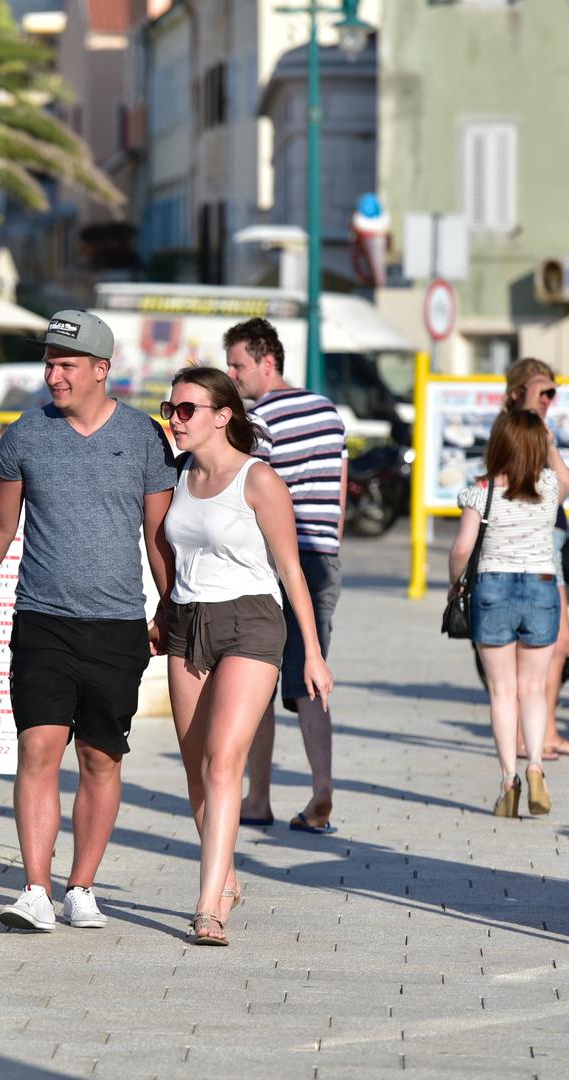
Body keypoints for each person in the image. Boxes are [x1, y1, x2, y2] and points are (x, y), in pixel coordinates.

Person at [0, 310, 176, 933]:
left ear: (102, 370)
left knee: (101, 757)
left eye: (66, 364)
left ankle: (82, 887)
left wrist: (170, 605)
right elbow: (0, 524)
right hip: (41, 618)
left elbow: (159, 535)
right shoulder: (25, 433)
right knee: (38, 747)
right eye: (50, 362)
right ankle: (34, 889)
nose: (53, 374)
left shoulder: (147, 439)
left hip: (117, 623)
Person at [160, 367, 332, 946]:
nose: (174, 419)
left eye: (186, 409)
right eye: (170, 408)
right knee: (194, 768)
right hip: (188, 623)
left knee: (221, 761)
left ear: (222, 415)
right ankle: (227, 878)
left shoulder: (258, 480)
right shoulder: (177, 474)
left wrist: (311, 652)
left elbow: (292, 571)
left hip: (252, 624)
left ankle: (208, 907)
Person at [222, 318, 345, 835]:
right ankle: (321, 787)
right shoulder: (328, 412)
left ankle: (258, 796)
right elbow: (340, 490)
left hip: (278, 561)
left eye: (238, 365)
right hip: (325, 558)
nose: (231, 375)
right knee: (310, 678)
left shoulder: (259, 420)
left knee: (259, 679)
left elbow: (251, 489)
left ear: (267, 362)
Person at [448, 410, 569, 817]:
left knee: (503, 691)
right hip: (541, 586)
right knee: (534, 689)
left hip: (493, 587)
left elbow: (463, 549)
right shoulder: (550, 487)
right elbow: (568, 481)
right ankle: (536, 765)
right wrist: (551, 443)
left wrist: (457, 582)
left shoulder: (481, 492)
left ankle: (509, 782)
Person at [503, 359, 569, 759]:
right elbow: (552, 491)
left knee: (560, 641)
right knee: (540, 643)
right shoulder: (516, 433)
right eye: (539, 390)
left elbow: (558, 489)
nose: (548, 399)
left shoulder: (538, 431)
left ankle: (546, 730)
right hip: (535, 544)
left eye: (551, 391)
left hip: (551, 540)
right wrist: (538, 427)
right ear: (516, 393)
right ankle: (531, 734)